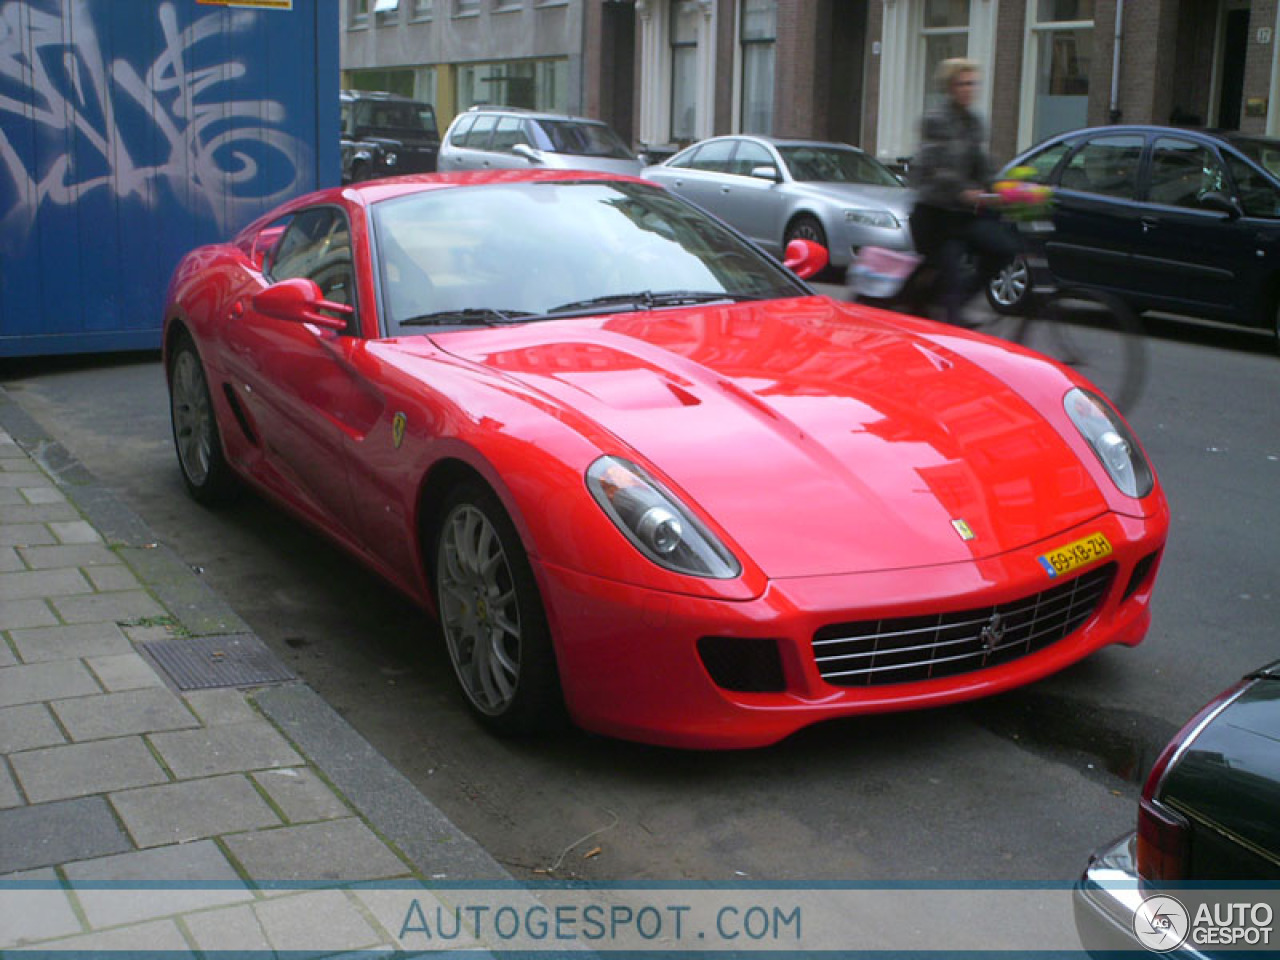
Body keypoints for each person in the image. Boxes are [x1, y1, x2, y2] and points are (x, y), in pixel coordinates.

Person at [909, 58, 1018, 327]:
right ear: (950, 87)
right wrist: (963, 191)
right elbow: (933, 167)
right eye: (963, 83)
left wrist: (1004, 189)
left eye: (973, 84)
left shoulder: (974, 122)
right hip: (935, 215)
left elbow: (983, 165)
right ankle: (947, 317)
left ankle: (950, 305)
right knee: (951, 272)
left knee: (1004, 248)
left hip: (962, 215)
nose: (969, 89)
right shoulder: (935, 120)